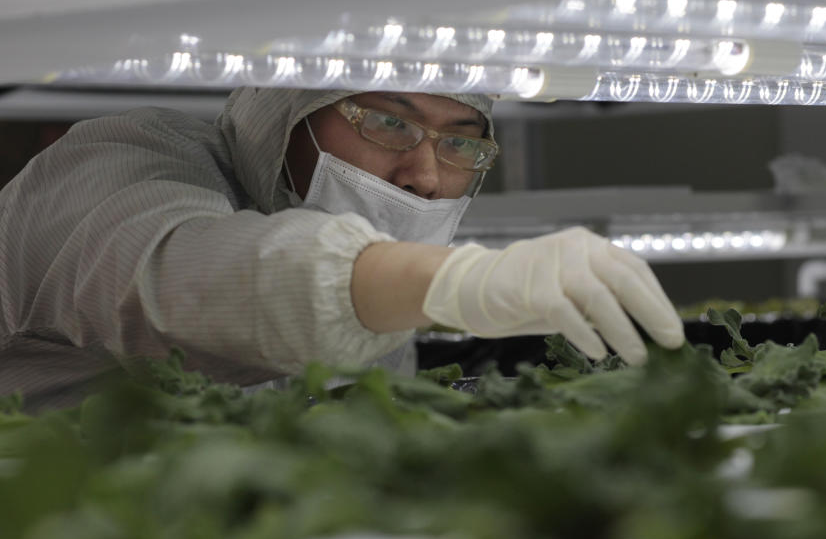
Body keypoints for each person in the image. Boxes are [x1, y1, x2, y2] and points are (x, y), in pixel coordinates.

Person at [0, 88, 685, 411]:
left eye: (460, 142)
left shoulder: (377, 266)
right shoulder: (124, 158)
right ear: (285, 113)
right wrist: (460, 283)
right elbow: (183, 281)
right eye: (389, 122)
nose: (424, 173)